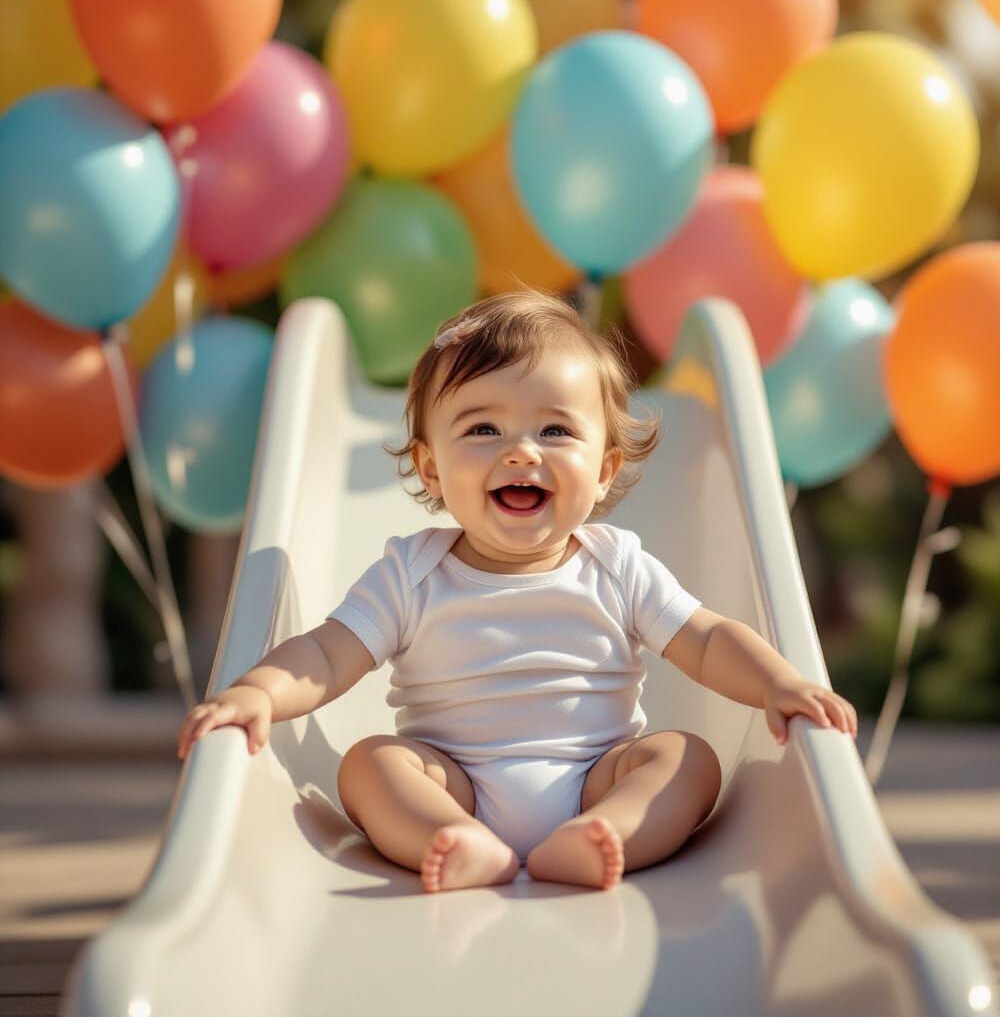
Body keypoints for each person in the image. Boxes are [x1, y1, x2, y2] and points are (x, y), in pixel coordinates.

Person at [176, 289, 858, 894]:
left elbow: (706, 641)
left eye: (556, 429)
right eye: (482, 429)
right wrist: (257, 691)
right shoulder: (411, 572)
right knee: (369, 766)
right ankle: (454, 840)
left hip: (598, 776)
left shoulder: (616, 564)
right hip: (455, 784)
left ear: (603, 470)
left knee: (686, 759)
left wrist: (778, 684)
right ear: (431, 468)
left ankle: (607, 835)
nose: (521, 451)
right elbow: (325, 656)